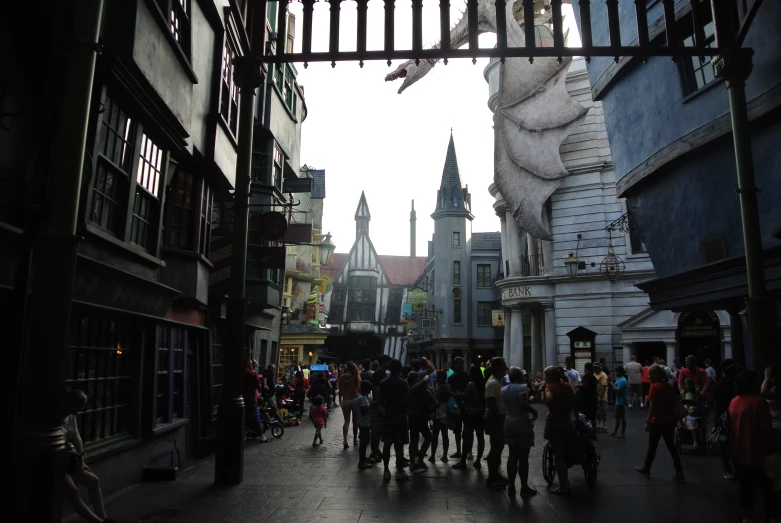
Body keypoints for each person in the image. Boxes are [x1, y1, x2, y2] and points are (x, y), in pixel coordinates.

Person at [729, 370, 776, 523]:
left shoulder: (734, 401)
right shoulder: (759, 403)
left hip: (739, 454)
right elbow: (766, 430)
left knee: (746, 491)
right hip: (760, 455)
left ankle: (747, 518)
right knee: (769, 491)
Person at [62, 389, 114, 523]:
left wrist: (81, 459)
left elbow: (77, 437)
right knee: (73, 491)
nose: (81, 409)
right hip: (58, 462)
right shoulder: (57, 419)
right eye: (79, 406)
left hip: (70, 460)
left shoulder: (71, 417)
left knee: (94, 480)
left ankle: (103, 518)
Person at [635, 364, 684, 482]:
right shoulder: (668, 386)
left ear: (655, 375)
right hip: (670, 421)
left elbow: (653, 406)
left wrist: (648, 422)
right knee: (672, 447)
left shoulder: (654, 387)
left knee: (652, 446)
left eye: (650, 374)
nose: (649, 376)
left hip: (657, 421)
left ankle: (646, 468)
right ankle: (679, 472)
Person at [502, 367, 538, 498]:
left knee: (512, 455)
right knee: (523, 457)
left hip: (509, 421)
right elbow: (523, 404)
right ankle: (523, 486)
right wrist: (533, 411)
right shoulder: (521, 388)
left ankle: (511, 485)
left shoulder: (503, 389)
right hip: (521, 422)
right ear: (518, 377)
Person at [544, 366, 577, 495]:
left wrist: (551, 405)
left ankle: (564, 485)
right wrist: (577, 420)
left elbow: (549, 398)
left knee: (558, 455)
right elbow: (574, 404)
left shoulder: (550, 387)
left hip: (554, 421)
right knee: (566, 448)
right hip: (566, 421)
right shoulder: (567, 387)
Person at [380, 358, 411, 482]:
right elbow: (408, 399)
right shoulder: (404, 383)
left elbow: (381, 401)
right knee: (399, 444)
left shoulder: (383, 383)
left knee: (387, 444)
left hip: (388, 415)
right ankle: (399, 470)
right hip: (400, 415)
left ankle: (386, 470)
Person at [714, 359, 744, 479]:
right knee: (727, 444)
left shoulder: (726, 382)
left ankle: (730, 468)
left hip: (725, 416)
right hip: (725, 417)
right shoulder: (729, 383)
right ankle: (729, 467)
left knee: (727, 443)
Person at [453, 365, 486, 471]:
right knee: (480, 437)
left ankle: (463, 460)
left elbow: (464, 396)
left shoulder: (471, 384)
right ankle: (478, 460)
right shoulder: (483, 384)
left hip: (471, 414)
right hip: (481, 414)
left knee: (467, 437)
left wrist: (458, 394)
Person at [485, 357, 509, 490]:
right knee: (495, 449)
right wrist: (499, 416)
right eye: (503, 366)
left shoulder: (497, 381)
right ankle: (492, 477)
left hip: (498, 417)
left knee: (498, 448)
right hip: (496, 418)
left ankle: (496, 475)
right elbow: (491, 403)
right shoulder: (493, 383)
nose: (505, 369)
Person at [407, 364, 435, 472]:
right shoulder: (416, 389)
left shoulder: (409, 388)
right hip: (420, 416)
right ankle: (419, 459)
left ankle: (413, 462)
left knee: (414, 439)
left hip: (413, 416)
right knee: (428, 437)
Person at [369, 355, 392, 463]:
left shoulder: (383, 374)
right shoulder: (377, 374)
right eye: (387, 362)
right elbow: (376, 389)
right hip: (379, 404)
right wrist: (380, 404)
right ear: (383, 362)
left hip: (383, 403)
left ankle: (377, 449)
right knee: (376, 430)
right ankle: (374, 451)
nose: (389, 364)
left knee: (380, 429)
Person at [447, 357, 470, 459]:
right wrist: (454, 394)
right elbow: (448, 391)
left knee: (467, 429)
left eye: (461, 364)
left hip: (466, 405)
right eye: (458, 364)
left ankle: (468, 451)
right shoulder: (451, 378)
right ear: (455, 365)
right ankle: (459, 450)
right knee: (457, 429)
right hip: (456, 406)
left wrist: (463, 394)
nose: (460, 366)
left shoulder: (467, 376)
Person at [339, 361, 362, 448]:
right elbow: (359, 389)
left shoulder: (341, 377)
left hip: (346, 400)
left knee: (346, 421)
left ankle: (345, 440)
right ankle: (355, 439)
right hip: (355, 400)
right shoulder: (356, 376)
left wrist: (340, 400)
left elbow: (340, 390)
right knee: (355, 421)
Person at [245, 360, 269, 442]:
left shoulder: (242, 373)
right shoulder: (253, 373)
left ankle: (244, 435)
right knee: (257, 416)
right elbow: (259, 385)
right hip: (252, 398)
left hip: (244, 399)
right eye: (251, 363)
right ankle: (262, 436)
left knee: (245, 417)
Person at [430, 370, 451, 463]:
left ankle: (433, 456)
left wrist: (431, 392)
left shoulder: (441, 387)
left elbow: (435, 399)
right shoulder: (448, 386)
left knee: (435, 435)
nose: (436, 378)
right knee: (445, 435)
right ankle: (445, 455)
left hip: (438, 412)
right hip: (446, 412)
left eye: (437, 376)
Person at [761, 364, 781, 453]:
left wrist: (766, 379)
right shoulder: (775, 389)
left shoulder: (776, 390)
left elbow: (763, 394)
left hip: (776, 427)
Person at [575, 362, 598, 431]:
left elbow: (586, 385)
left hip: (586, 401)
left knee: (584, 417)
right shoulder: (593, 376)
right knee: (593, 418)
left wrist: (577, 385)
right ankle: (594, 432)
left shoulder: (587, 376)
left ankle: (586, 432)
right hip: (593, 400)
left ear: (586, 368)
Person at [355, 381, 373, 469]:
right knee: (363, 442)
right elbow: (363, 410)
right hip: (363, 423)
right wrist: (371, 405)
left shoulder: (364, 397)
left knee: (365, 442)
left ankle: (364, 459)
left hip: (366, 423)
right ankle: (361, 461)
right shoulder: (361, 398)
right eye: (369, 389)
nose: (370, 391)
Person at [611, 366, 628, 438]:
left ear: (620, 372)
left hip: (621, 401)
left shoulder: (623, 380)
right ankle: (615, 431)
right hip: (618, 400)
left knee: (621, 417)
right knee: (617, 416)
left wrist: (611, 384)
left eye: (616, 372)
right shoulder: (619, 379)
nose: (615, 373)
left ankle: (622, 433)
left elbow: (617, 390)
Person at [593, 363, 609, 433]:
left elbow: (604, 385)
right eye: (594, 368)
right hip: (596, 396)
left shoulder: (603, 374)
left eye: (596, 368)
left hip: (602, 396)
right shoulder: (594, 374)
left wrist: (601, 396)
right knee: (597, 412)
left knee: (603, 413)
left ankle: (604, 427)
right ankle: (599, 426)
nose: (595, 369)